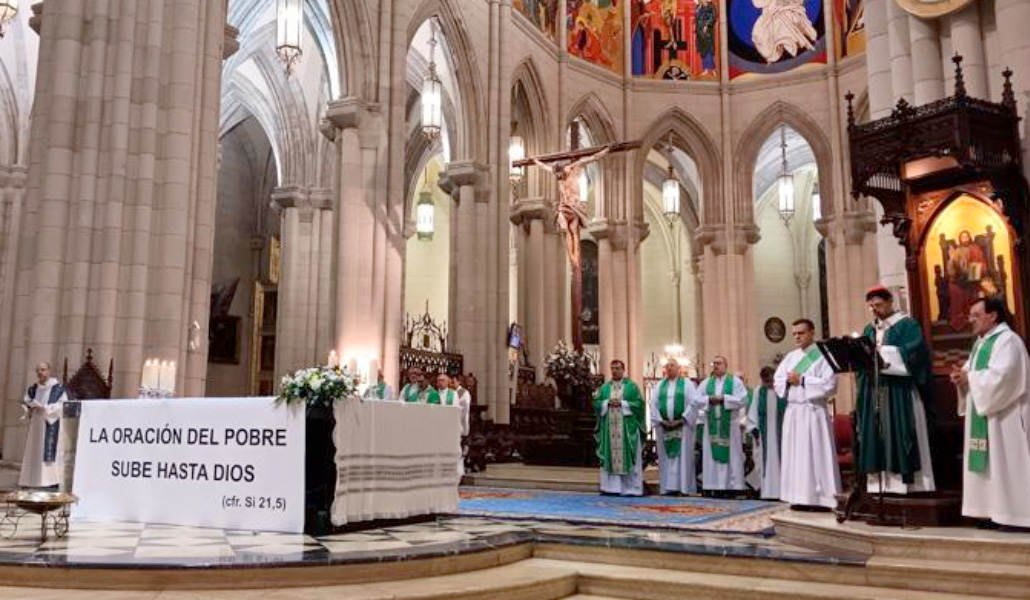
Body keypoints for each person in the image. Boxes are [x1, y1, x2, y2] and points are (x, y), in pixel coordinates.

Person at [951, 297, 1030, 529]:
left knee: (1006, 464)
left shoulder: (1008, 341)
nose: (971, 320)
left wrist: (970, 378)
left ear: (993, 315)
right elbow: (971, 369)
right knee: (989, 465)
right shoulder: (981, 343)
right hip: (986, 414)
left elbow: (1004, 377)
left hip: (1005, 416)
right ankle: (993, 513)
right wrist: (961, 376)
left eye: (976, 315)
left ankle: (1017, 516)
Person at [856, 286, 936, 494]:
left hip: (899, 391)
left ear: (891, 302)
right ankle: (878, 485)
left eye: (879, 305)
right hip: (876, 389)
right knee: (876, 433)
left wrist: (885, 354)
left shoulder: (906, 325)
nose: (875, 310)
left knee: (900, 431)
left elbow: (916, 350)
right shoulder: (869, 330)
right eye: (871, 306)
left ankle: (907, 485)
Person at [776, 319, 841, 509]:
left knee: (815, 454)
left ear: (812, 333)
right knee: (796, 455)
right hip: (794, 411)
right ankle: (798, 497)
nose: (797, 336)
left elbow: (830, 385)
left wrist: (802, 379)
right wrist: (788, 381)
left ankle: (820, 498)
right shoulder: (790, 357)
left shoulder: (823, 355)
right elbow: (778, 380)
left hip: (813, 411)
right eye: (794, 333)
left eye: (801, 333)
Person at [594, 359, 646, 496]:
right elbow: (597, 404)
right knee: (611, 457)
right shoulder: (605, 388)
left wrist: (623, 404)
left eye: (617, 368)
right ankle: (611, 488)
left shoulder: (632, 387)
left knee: (628, 457)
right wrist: (607, 403)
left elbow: (640, 405)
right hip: (609, 429)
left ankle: (630, 489)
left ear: (624, 370)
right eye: (612, 368)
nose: (615, 370)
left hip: (626, 429)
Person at [697, 356, 748, 496]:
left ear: (726, 365)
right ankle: (712, 485)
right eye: (714, 363)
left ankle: (732, 486)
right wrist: (709, 399)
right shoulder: (706, 383)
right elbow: (696, 400)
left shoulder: (735, 382)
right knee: (711, 456)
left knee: (732, 455)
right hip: (711, 425)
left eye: (718, 363)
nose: (715, 366)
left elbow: (743, 399)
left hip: (730, 425)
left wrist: (724, 398)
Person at [649, 358, 700, 495]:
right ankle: (667, 488)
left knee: (683, 458)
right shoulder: (660, 385)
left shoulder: (688, 384)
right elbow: (652, 404)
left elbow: (694, 403)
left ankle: (683, 488)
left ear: (679, 368)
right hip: (664, 427)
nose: (670, 368)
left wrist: (682, 419)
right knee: (666, 458)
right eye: (668, 366)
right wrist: (661, 421)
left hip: (682, 427)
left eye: (673, 365)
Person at [20, 362, 68, 489]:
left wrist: (46, 408)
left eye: (43, 369)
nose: (40, 372)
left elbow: (62, 406)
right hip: (36, 423)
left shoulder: (58, 389)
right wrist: (28, 407)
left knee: (47, 451)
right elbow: (26, 401)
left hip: (49, 423)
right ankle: (32, 480)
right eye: (38, 370)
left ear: (49, 371)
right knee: (34, 451)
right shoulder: (33, 388)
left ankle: (49, 481)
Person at [746, 366, 786, 500]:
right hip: (764, 435)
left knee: (782, 461)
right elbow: (752, 412)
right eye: (767, 382)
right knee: (764, 463)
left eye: (772, 381)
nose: (770, 385)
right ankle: (767, 492)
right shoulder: (759, 391)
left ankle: (783, 492)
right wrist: (755, 430)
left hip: (781, 434)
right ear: (762, 381)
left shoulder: (783, 390)